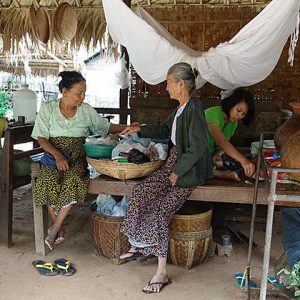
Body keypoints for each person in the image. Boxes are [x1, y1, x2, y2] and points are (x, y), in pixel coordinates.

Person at [119, 62, 213, 294]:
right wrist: (138, 130)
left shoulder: (195, 109)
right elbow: (163, 130)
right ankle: (138, 244)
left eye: (169, 82)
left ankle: (161, 273)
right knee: (141, 192)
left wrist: (177, 171)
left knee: (161, 211)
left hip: (187, 172)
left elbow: (198, 148)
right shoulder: (180, 109)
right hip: (174, 165)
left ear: (181, 84)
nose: (166, 87)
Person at [31, 71, 125, 251]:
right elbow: (41, 138)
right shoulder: (48, 108)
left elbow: (105, 127)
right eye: (78, 93)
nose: (82, 97)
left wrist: (127, 127)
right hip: (53, 153)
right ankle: (57, 227)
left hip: (77, 155)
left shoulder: (86, 111)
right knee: (47, 181)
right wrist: (57, 155)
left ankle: (55, 229)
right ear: (65, 92)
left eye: (84, 93)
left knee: (73, 180)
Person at [204, 88, 256, 180]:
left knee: (251, 158)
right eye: (238, 110)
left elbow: (222, 147)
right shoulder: (213, 113)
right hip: (197, 155)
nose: (240, 116)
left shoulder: (233, 123)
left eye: (244, 114)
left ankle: (215, 171)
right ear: (230, 103)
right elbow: (220, 141)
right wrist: (243, 160)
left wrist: (217, 154)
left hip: (210, 157)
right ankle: (215, 173)